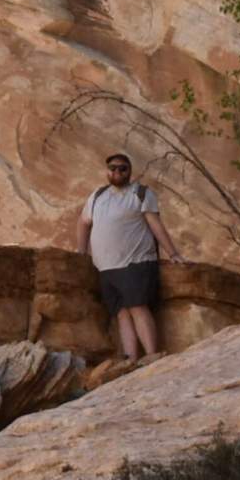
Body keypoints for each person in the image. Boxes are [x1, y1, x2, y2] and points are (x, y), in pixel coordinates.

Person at [78, 153, 174, 360]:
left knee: (138, 307)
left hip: (135, 263)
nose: (117, 172)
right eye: (113, 168)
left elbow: (155, 225)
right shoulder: (97, 196)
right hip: (105, 267)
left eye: (123, 168)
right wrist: (81, 253)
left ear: (130, 171)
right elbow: (84, 223)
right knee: (121, 313)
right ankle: (131, 359)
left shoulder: (141, 193)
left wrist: (173, 253)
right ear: (107, 170)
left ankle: (151, 356)